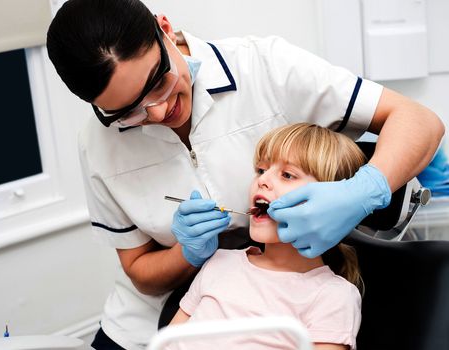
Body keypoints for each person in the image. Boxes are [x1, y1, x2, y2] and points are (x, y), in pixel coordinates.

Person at [45, 0, 444, 348]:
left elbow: (419, 121)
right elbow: (140, 273)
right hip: (144, 329)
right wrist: (186, 254)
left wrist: (362, 191)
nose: (158, 112)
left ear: (164, 30)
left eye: (159, 83)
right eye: (128, 111)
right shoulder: (98, 143)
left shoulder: (265, 67)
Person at [167, 123, 366, 350]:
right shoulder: (220, 262)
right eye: (261, 170)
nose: (262, 180)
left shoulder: (333, 297)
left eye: (287, 175)